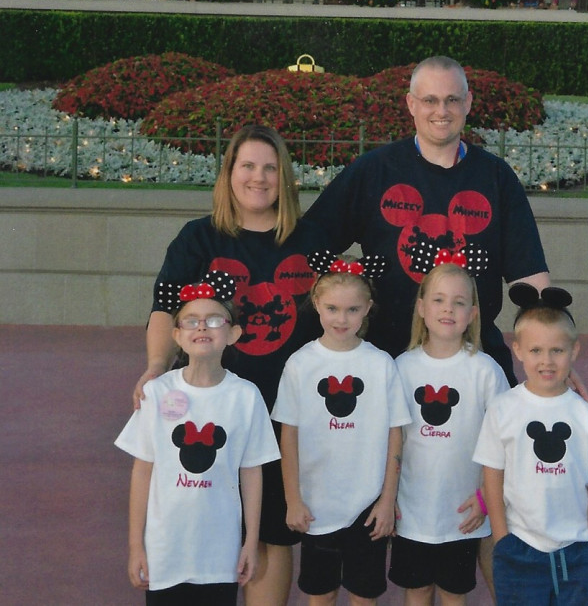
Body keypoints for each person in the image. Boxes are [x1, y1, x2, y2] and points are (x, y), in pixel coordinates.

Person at [133, 124, 329, 606]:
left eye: (269, 167)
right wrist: (156, 365)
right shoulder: (198, 238)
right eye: (248, 166)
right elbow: (164, 307)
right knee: (203, 512)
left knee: (271, 531)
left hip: (283, 411)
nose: (258, 178)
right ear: (229, 173)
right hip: (210, 406)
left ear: (284, 177)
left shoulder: (311, 240)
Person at [304, 55, 552, 386]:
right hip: (388, 359)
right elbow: (307, 244)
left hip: (472, 358)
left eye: (452, 100)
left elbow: (530, 276)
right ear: (411, 104)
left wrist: (553, 345)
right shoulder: (374, 171)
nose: (441, 111)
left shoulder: (495, 177)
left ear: (468, 103)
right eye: (430, 100)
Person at [116, 271, 280, 604]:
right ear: (176, 335)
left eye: (214, 319)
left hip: (220, 553)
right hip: (166, 551)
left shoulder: (246, 396)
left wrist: (250, 542)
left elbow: (251, 473)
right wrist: (137, 545)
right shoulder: (157, 392)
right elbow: (142, 471)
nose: (202, 327)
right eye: (191, 321)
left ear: (233, 333)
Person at [272, 252, 411, 605]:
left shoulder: (380, 364)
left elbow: (397, 433)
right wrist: (293, 499)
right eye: (332, 308)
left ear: (367, 308)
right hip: (316, 504)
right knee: (320, 594)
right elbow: (289, 436)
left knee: (364, 595)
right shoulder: (301, 364)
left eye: (352, 309)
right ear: (317, 303)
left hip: (367, 504)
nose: (341, 318)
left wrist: (387, 499)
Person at [473, 284, 588, 605]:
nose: (547, 361)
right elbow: (492, 477)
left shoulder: (586, 415)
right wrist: (502, 540)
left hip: (579, 551)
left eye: (557, 350)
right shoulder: (503, 408)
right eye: (536, 350)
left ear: (574, 351)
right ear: (518, 350)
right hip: (519, 550)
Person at [389, 262, 509, 606]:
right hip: (412, 510)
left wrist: (487, 494)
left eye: (458, 302)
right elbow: (392, 441)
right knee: (417, 591)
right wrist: (388, 496)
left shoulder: (485, 370)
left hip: (464, 511)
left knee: (454, 593)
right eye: (439, 299)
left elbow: (504, 441)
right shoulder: (401, 368)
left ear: (472, 314)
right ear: (422, 308)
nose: (448, 309)